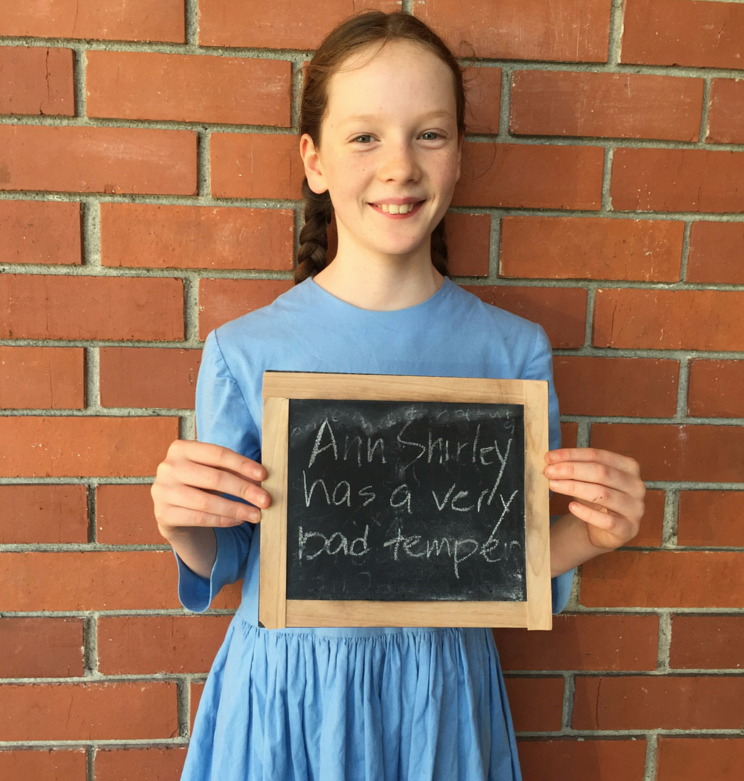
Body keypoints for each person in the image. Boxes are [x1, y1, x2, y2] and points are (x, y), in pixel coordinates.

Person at [151, 10, 645, 781]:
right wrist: (183, 525)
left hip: (438, 700)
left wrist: (592, 531)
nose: (399, 165)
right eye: (364, 136)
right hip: (292, 702)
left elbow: (503, 560)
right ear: (314, 161)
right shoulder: (246, 351)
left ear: (459, 156)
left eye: (429, 134)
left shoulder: (510, 352)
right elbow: (234, 555)